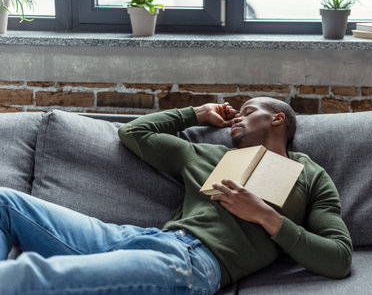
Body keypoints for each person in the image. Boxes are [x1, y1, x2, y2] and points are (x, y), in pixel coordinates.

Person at [0, 97, 352, 294]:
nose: (236, 119)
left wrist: (265, 215)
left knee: (32, 276)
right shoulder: (204, 155)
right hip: (142, 238)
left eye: (247, 111)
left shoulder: (311, 176)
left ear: (278, 119)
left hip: (191, 264)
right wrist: (196, 113)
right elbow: (134, 132)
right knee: (5, 202)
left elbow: (338, 258)